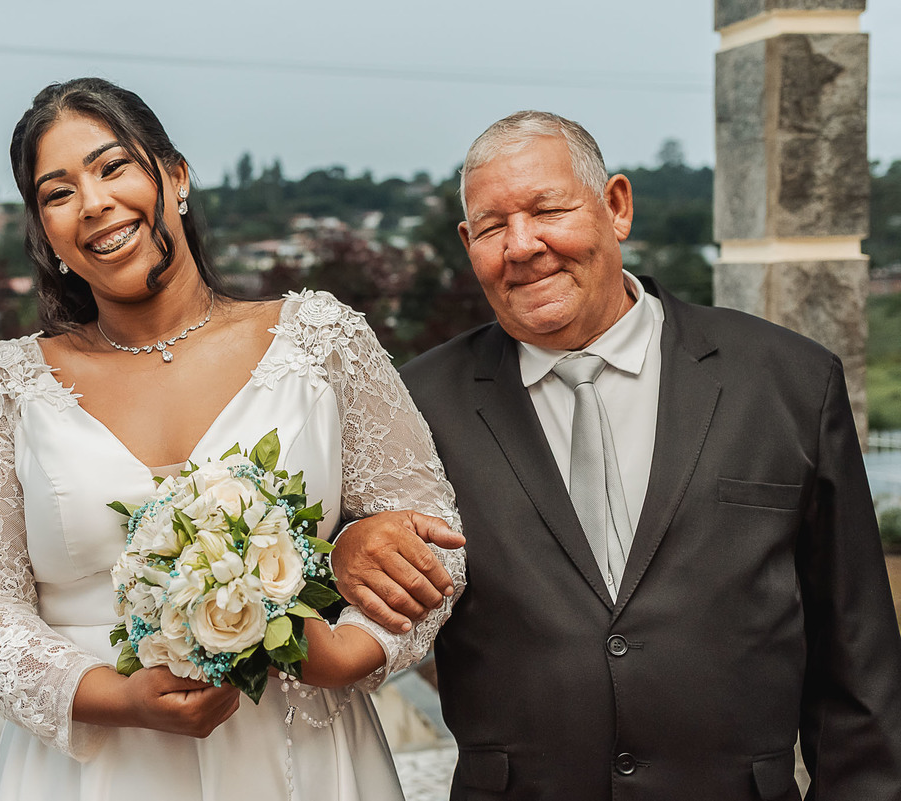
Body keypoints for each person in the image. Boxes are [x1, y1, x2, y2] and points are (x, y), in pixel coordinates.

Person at [0, 77, 463, 801]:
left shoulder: (323, 342)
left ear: (174, 176)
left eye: (113, 166)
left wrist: (343, 652)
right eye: (58, 193)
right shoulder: (2, 389)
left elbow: (432, 539)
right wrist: (118, 699)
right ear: (45, 232)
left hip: (304, 753)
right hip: (97, 771)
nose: (94, 202)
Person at [331, 110, 901, 799]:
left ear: (616, 206)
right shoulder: (412, 406)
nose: (522, 244)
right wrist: (347, 544)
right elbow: (338, 595)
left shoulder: (788, 381)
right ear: (467, 242)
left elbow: (859, 665)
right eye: (491, 226)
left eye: (548, 209)